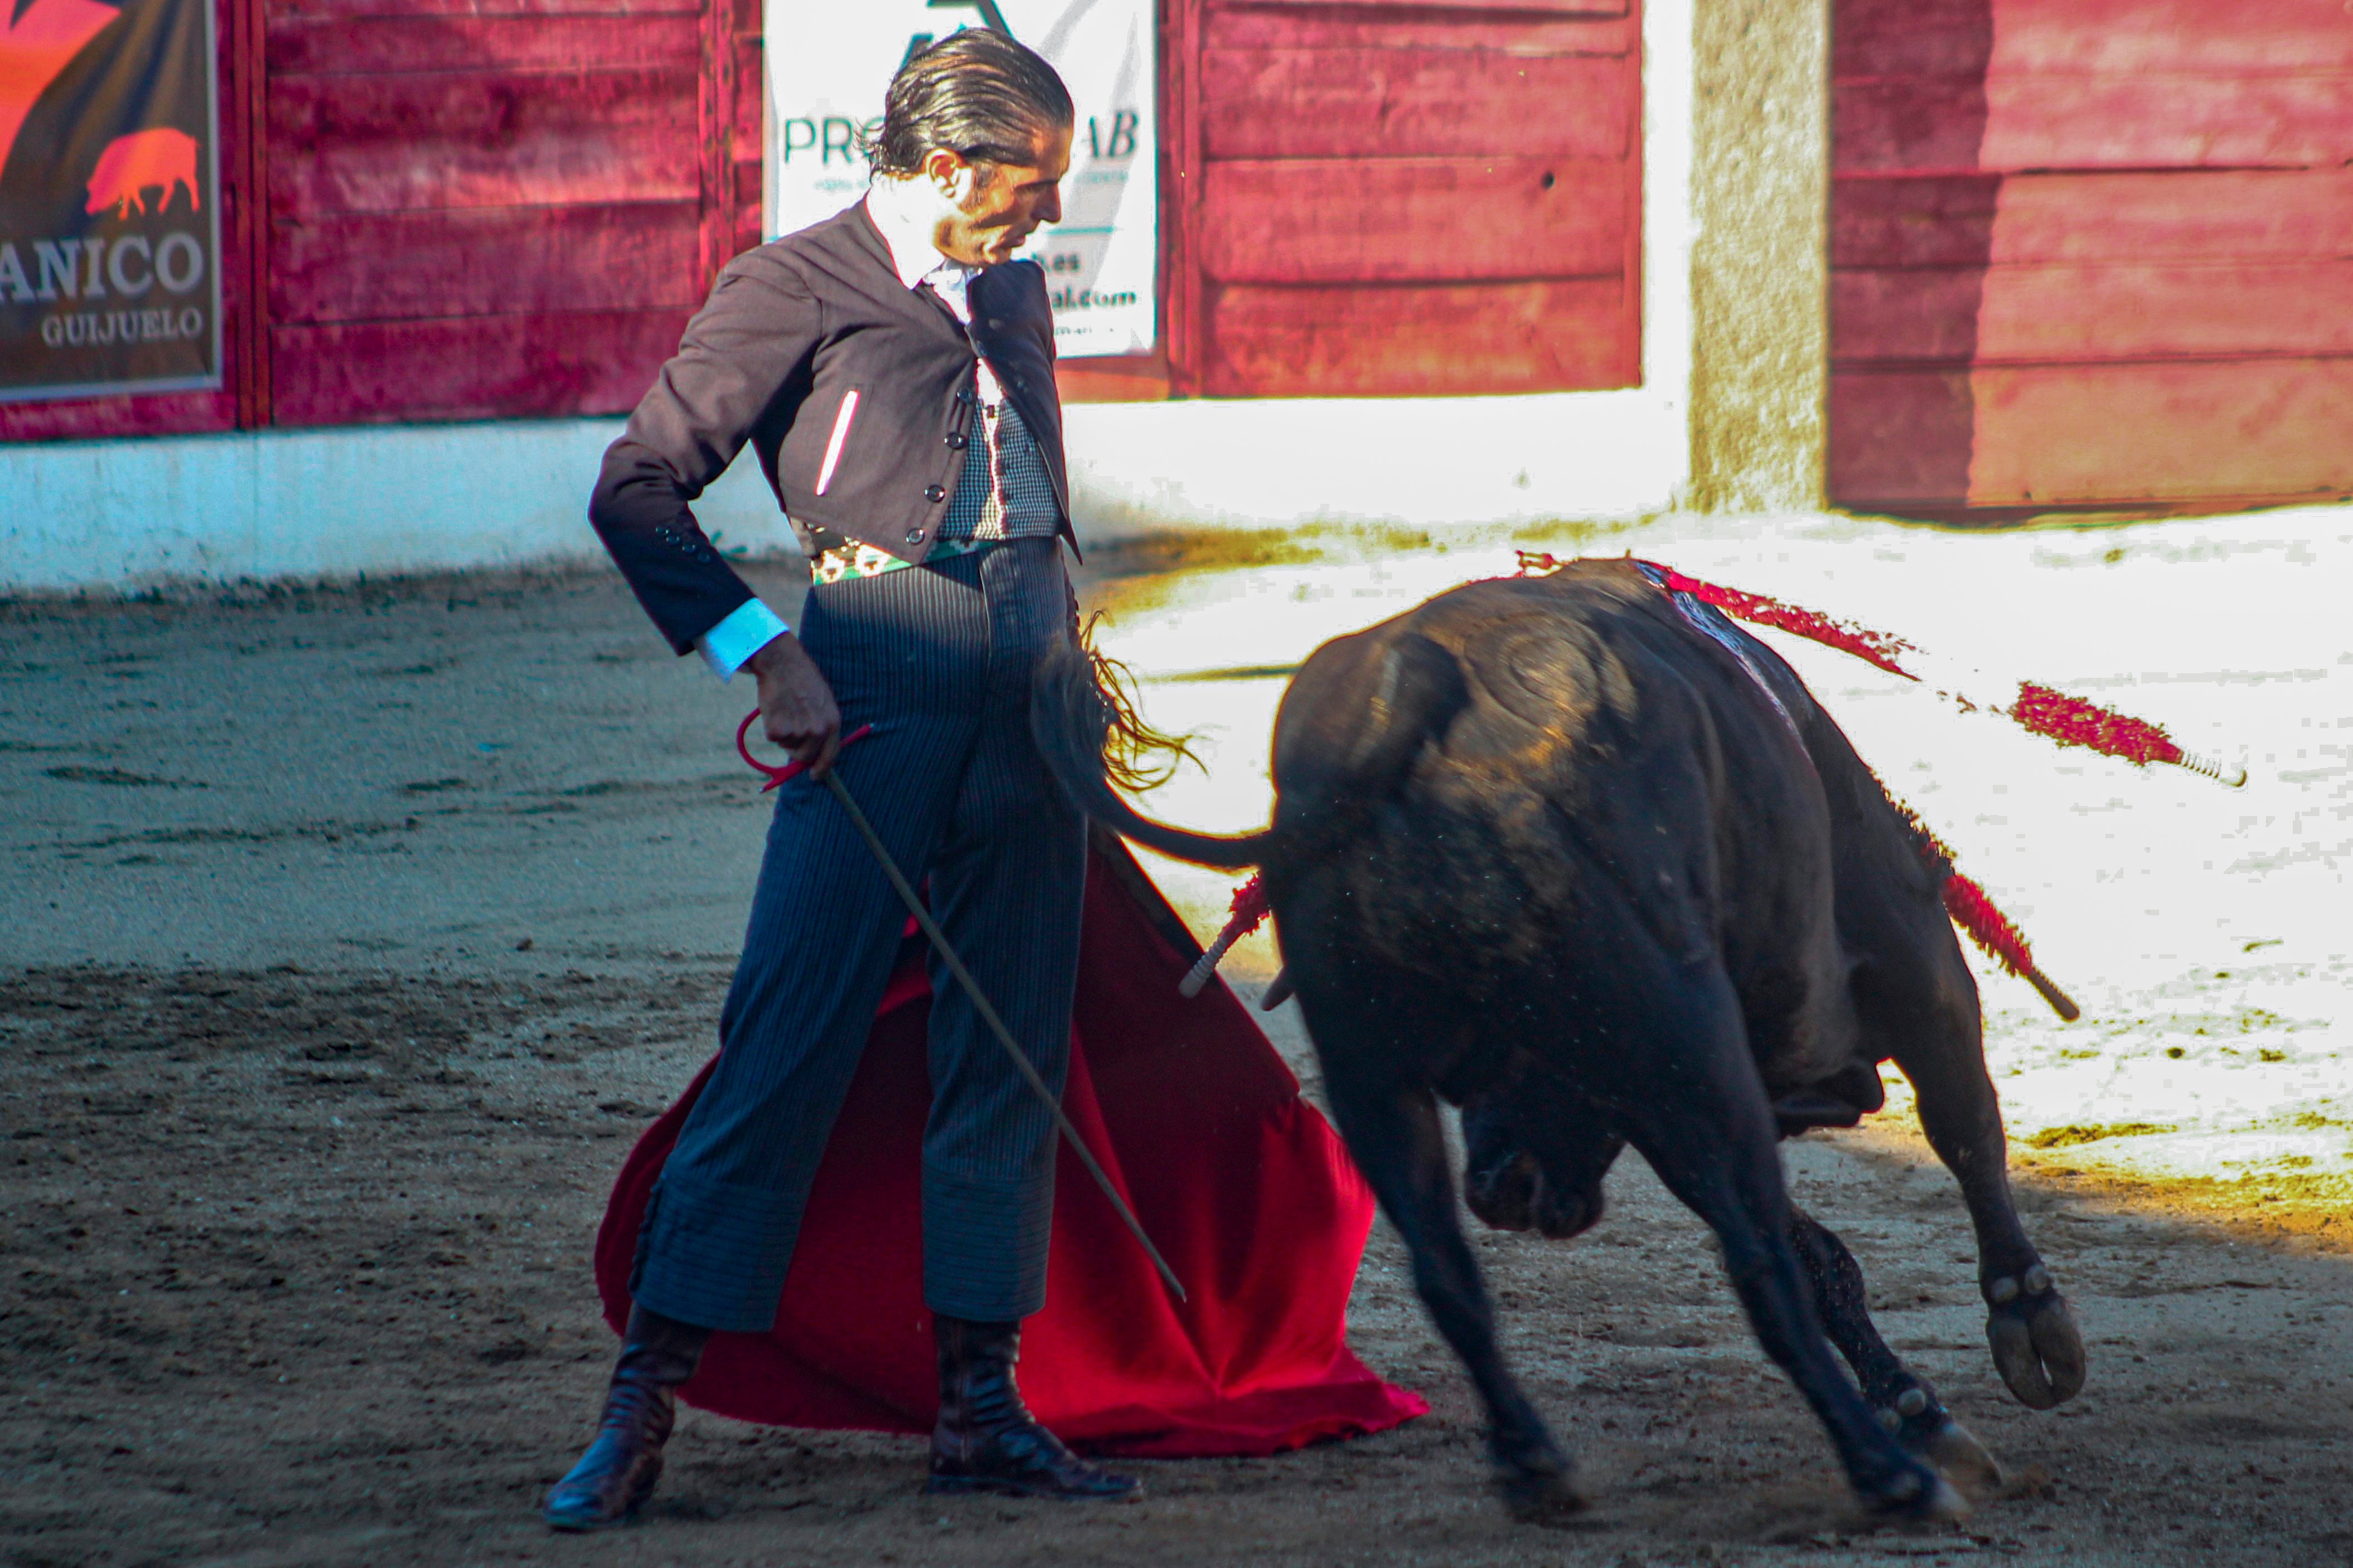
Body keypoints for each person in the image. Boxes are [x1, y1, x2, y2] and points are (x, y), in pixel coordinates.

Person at [546, 30, 1139, 1529]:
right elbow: (635, 485)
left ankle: (980, 1407)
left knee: (1006, 1044)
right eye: (1028, 187)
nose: (1043, 221)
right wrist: (765, 651)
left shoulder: (1002, 282)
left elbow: (1030, 489)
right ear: (945, 169)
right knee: (786, 1038)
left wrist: (1067, 669)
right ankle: (643, 1402)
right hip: (870, 675)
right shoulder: (792, 285)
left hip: (1029, 694)